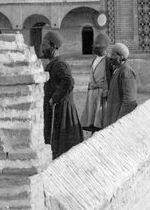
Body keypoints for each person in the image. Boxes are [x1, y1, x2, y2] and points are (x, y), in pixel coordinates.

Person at [41, 29, 84, 158]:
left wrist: (54, 98)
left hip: (62, 109)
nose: (42, 48)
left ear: (54, 47)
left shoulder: (60, 64)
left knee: (66, 145)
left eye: (44, 45)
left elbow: (69, 82)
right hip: (56, 108)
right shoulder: (52, 64)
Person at [80, 32, 111, 133]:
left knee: (100, 120)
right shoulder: (94, 60)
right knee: (91, 119)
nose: (95, 47)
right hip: (92, 94)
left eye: (98, 46)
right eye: (95, 45)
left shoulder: (108, 61)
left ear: (104, 47)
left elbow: (109, 79)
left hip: (101, 95)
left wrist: (102, 88)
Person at [102, 42, 138, 127]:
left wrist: (120, 121)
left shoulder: (126, 72)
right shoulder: (117, 70)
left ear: (121, 57)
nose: (111, 57)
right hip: (112, 117)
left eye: (113, 55)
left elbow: (129, 100)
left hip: (118, 120)